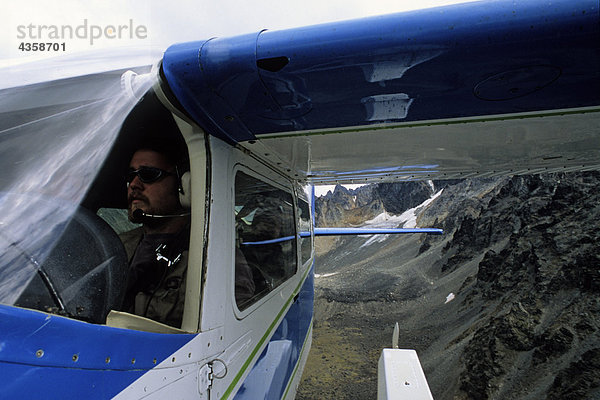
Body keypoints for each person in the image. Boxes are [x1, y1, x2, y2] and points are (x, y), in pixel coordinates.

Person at [120, 146, 190, 327]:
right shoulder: (114, 246)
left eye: (148, 174)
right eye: (131, 176)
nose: (134, 184)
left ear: (182, 185)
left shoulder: (212, 259)